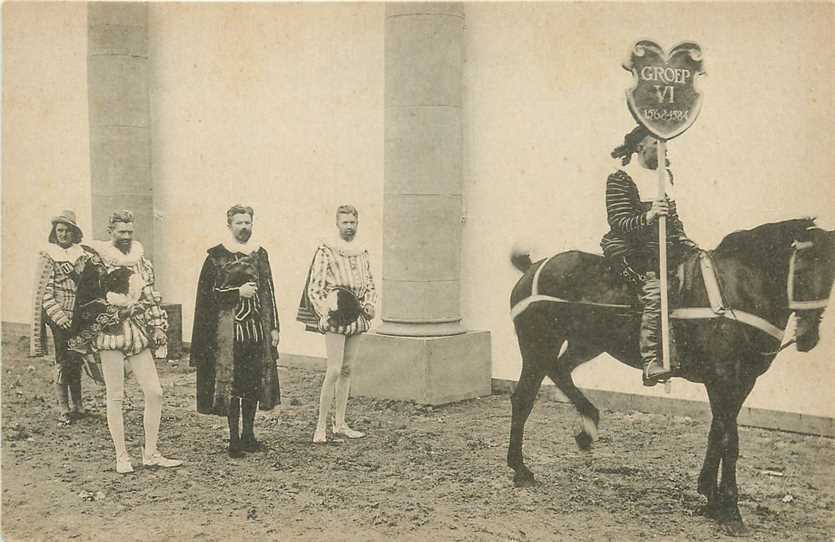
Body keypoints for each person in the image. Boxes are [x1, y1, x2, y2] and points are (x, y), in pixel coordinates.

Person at [83, 210, 182, 473]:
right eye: (121, 232)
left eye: (129, 232)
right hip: (110, 334)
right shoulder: (96, 262)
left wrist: (159, 326)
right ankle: (121, 456)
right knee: (115, 395)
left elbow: (150, 297)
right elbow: (89, 303)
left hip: (137, 334)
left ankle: (150, 453)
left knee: (155, 392)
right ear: (110, 231)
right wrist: (117, 313)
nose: (126, 237)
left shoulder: (141, 262)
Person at [600, 125, 699, 386]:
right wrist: (649, 216)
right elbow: (619, 221)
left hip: (664, 249)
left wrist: (686, 241)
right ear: (641, 146)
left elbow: (673, 221)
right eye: (657, 143)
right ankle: (651, 361)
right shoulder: (621, 178)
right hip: (632, 252)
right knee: (656, 293)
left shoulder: (663, 177)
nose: (663, 149)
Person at [191, 205, 281, 458]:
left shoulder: (260, 253)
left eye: (248, 222)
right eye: (239, 222)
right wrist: (236, 293)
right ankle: (233, 439)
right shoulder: (216, 257)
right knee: (233, 384)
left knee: (252, 383)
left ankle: (249, 435)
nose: (244, 227)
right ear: (229, 224)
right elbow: (207, 296)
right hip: (228, 333)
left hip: (256, 329)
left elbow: (268, 291)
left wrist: (274, 326)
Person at [297, 205, 377, 443]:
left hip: (357, 317)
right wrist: (325, 312)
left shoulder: (362, 252)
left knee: (348, 369)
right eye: (345, 222)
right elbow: (315, 287)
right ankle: (320, 427)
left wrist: (370, 305)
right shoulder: (327, 250)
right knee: (333, 369)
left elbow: (370, 284)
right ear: (337, 224)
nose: (349, 227)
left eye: (353, 222)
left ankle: (340, 424)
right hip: (336, 316)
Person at [30, 210, 99, 424]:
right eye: (59, 230)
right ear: (54, 232)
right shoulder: (48, 256)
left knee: (76, 358)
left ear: (74, 232)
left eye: (67, 230)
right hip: (58, 315)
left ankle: (78, 405)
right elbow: (45, 293)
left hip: (79, 315)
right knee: (62, 360)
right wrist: (60, 317)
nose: (63, 234)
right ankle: (64, 409)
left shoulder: (84, 256)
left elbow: (89, 287)